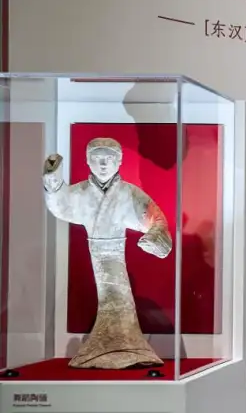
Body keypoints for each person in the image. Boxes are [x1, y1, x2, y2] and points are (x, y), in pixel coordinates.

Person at [42, 137, 172, 369]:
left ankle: (127, 348)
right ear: (87, 161)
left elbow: (156, 218)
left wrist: (155, 234)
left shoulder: (128, 193)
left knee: (118, 299)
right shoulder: (81, 192)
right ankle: (117, 349)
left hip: (115, 255)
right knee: (111, 299)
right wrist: (53, 181)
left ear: (119, 162)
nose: (103, 164)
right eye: (97, 158)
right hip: (98, 255)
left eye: (109, 159)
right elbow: (60, 205)